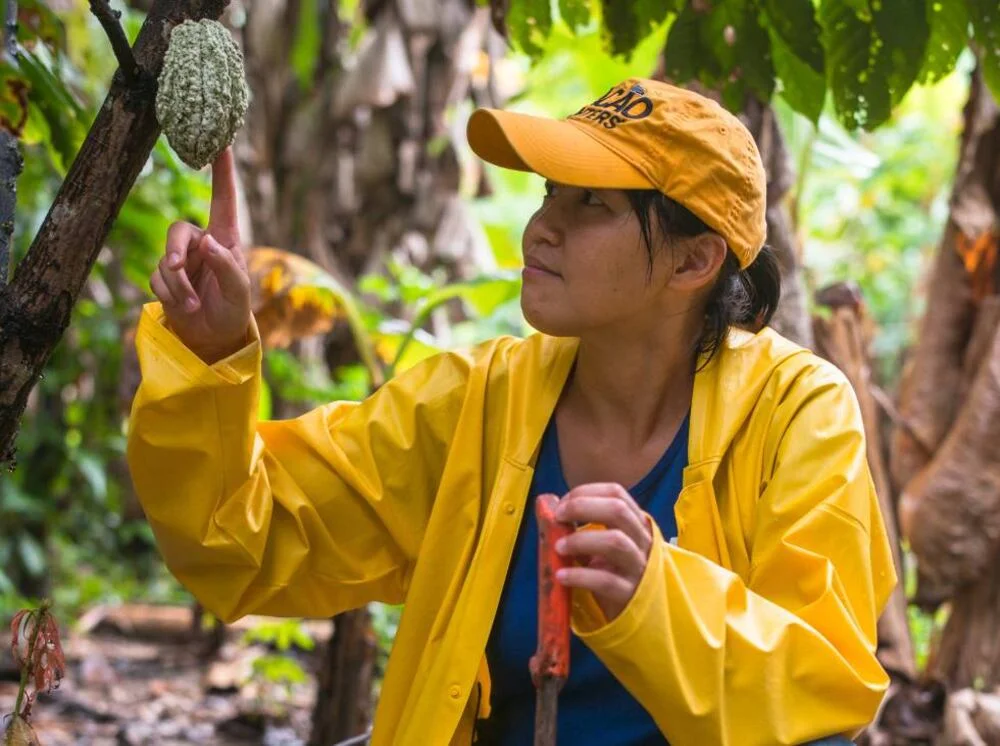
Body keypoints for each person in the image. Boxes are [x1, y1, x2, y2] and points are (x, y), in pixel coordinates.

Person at [127, 78, 896, 745]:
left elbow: (822, 696)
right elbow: (244, 540)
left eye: (590, 203)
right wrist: (212, 357)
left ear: (695, 260)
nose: (541, 229)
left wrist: (657, 601)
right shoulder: (477, 401)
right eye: (548, 195)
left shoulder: (798, 412)